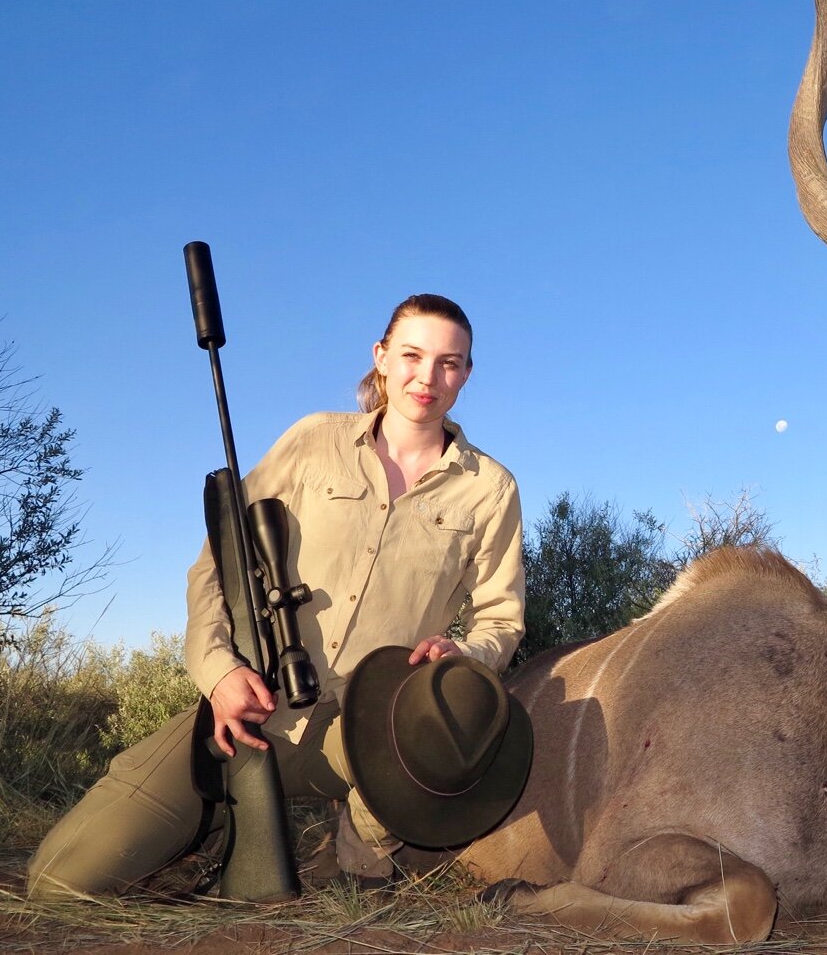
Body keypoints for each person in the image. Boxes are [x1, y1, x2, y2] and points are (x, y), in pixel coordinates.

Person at [27, 294, 524, 898]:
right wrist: (219, 673)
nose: (428, 376)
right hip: (259, 707)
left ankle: (359, 848)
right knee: (61, 883)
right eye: (413, 355)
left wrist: (465, 657)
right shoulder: (315, 440)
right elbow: (218, 563)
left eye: (450, 362)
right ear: (382, 358)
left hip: (379, 732)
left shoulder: (490, 489)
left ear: (467, 373)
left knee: (425, 759)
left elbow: (501, 616)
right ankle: (218, 827)